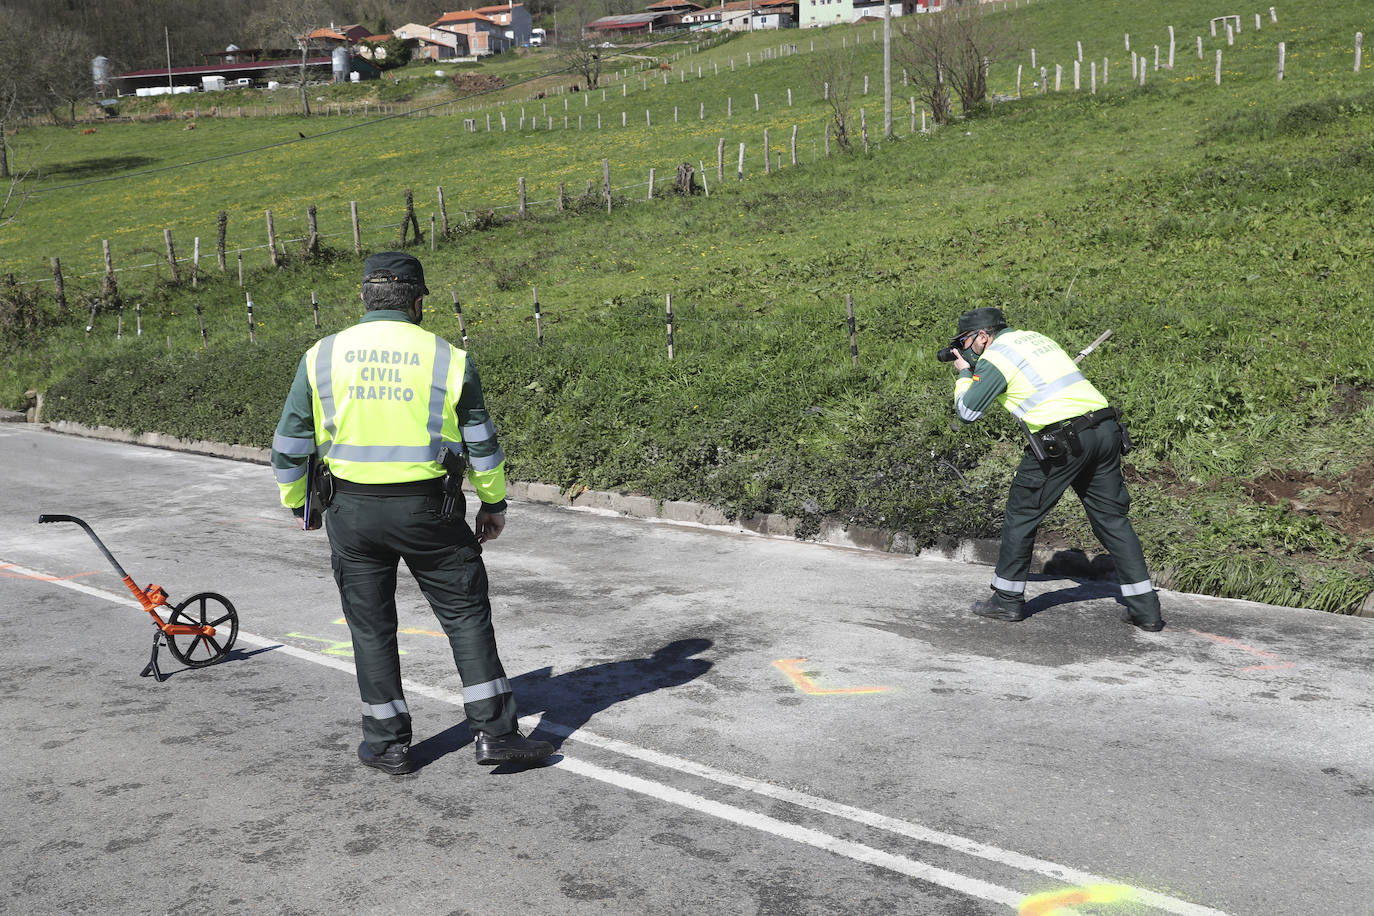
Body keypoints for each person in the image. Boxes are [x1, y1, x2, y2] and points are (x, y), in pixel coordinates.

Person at [271, 251, 554, 774]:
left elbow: (290, 443)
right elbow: (482, 442)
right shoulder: (447, 357)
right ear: (418, 301)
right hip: (431, 513)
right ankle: (495, 734)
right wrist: (493, 501)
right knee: (466, 617)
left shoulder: (322, 356)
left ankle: (387, 745)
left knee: (371, 627)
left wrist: (299, 502)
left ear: (364, 298)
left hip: (350, 512)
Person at [945, 307, 1165, 632]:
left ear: (982, 336)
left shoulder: (998, 356)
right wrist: (978, 367)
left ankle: (1006, 601)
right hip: (1105, 429)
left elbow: (967, 411)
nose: (965, 348)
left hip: (1061, 440)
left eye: (965, 340)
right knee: (1113, 520)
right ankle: (1146, 610)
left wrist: (965, 373)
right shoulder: (1033, 339)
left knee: (1022, 514)